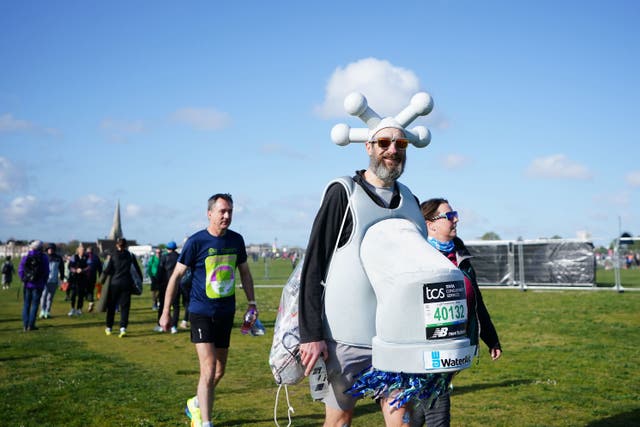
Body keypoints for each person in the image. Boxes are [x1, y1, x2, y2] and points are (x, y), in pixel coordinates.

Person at [299, 121, 425, 426]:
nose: (392, 150)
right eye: (383, 143)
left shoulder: (410, 201)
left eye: (400, 144)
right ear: (368, 147)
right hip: (346, 336)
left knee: (401, 418)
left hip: (398, 336)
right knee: (340, 418)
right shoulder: (344, 194)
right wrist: (312, 335)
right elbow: (314, 264)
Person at [159, 193, 257, 427]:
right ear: (209, 213)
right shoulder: (196, 242)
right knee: (209, 366)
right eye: (222, 211)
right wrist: (165, 312)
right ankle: (205, 421)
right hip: (201, 311)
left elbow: (244, 273)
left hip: (226, 312)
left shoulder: (236, 240)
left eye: (230, 211)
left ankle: (195, 402)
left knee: (219, 371)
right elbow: (175, 277)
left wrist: (252, 304)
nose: (226, 215)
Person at [410, 198, 502, 427]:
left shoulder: (461, 254)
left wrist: (491, 339)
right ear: (431, 224)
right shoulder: (417, 256)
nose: (456, 219)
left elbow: (477, 301)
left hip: (457, 343)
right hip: (427, 345)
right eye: (449, 216)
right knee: (438, 408)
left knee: (424, 405)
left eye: (455, 214)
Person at [101, 237, 143, 338]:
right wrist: (140, 280)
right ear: (126, 245)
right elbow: (137, 270)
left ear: (117, 245)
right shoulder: (130, 256)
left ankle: (109, 327)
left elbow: (108, 269)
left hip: (115, 283)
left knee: (111, 306)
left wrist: (102, 280)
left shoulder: (113, 255)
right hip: (126, 283)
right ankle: (123, 328)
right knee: (125, 307)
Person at [18, 240, 49, 331]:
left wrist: (23, 278)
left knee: (26, 304)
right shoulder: (44, 257)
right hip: (38, 284)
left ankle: (25, 324)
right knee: (35, 304)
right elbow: (46, 271)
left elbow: (20, 269)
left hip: (27, 284)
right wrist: (44, 280)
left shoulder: (26, 256)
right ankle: (31, 325)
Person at [154, 241, 180, 334]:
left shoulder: (164, 257)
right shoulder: (179, 256)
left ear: (167, 248)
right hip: (177, 283)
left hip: (165, 284)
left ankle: (160, 325)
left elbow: (160, 271)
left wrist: (157, 282)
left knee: (163, 305)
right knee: (176, 306)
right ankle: (174, 326)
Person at [39, 243, 64, 319]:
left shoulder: (58, 258)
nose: (50, 250)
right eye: (49, 249)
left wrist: (62, 277)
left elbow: (61, 268)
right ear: (47, 249)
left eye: (52, 249)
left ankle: (47, 311)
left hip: (54, 280)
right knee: (43, 296)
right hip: (45, 280)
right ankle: (42, 310)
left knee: (50, 297)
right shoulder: (43, 257)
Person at [68, 244, 89, 316]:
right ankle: (72, 308)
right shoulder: (74, 257)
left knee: (81, 294)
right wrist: (75, 270)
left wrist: (82, 270)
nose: (83, 251)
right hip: (74, 278)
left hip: (83, 279)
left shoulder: (86, 257)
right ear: (78, 250)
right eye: (81, 250)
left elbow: (89, 267)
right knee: (73, 294)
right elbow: (70, 266)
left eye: (84, 250)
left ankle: (79, 309)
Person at [85, 246, 103, 312]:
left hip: (85, 276)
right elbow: (100, 268)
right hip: (93, 276)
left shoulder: (85, 256)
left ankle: (90, 300)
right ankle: (91, 302)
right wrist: (101, 276)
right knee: (91, 289)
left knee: (86, 290)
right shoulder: (96, 257)